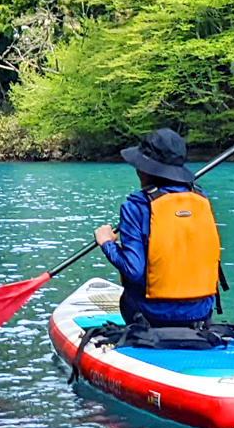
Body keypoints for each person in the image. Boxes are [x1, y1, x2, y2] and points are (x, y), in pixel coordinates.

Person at [95, 128, 221, 327]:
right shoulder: (201, 198)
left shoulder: (135, 207)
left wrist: (107, 243)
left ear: (144, 170)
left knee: (130, 293)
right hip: (202, 313)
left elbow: (133, 270)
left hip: (151, 316)